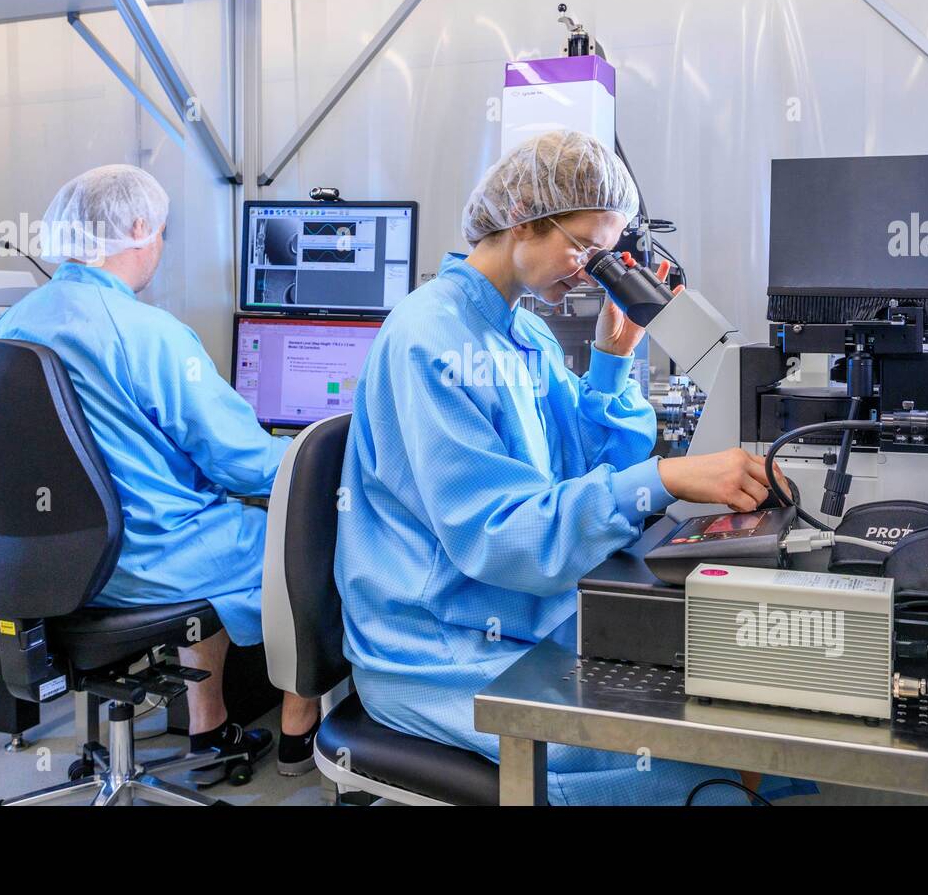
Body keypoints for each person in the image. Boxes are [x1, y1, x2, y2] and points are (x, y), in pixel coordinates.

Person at [335, 130, 817, 804]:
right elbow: (502, 537)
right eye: (586, 249)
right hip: (436, 645)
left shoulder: (523, 332)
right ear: (525, 220)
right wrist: (670, 477)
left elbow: (588, 471)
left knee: (743, 708)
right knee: (691, 769)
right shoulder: (429, 337)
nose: (592, 270)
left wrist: (613, 358)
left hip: (525, 608)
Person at [0, 165, 321, 782]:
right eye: (161, 232)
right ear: (139, 228)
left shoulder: (11, 325)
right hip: (148, 561)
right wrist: (324, 455)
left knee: (209, 519)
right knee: (310, 541)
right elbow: (241, 460)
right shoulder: (149, 333)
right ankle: (304, 733)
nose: (161, 247)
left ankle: (209, 725)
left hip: (42, 564)